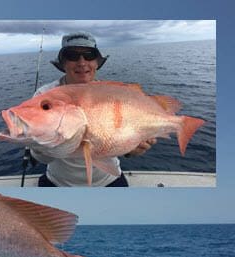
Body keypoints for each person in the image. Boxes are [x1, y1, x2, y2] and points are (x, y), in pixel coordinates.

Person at [32, 32, 156, 187]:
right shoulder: (44, 96)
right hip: (58, 182)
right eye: (72, 55)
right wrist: (36, 142)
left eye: (89, 55)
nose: (82, 62)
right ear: (63, 63)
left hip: (108, 179)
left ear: (97, 62)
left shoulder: (112, 94)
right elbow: (42, 159)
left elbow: (118, 139)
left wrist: (130, 150)